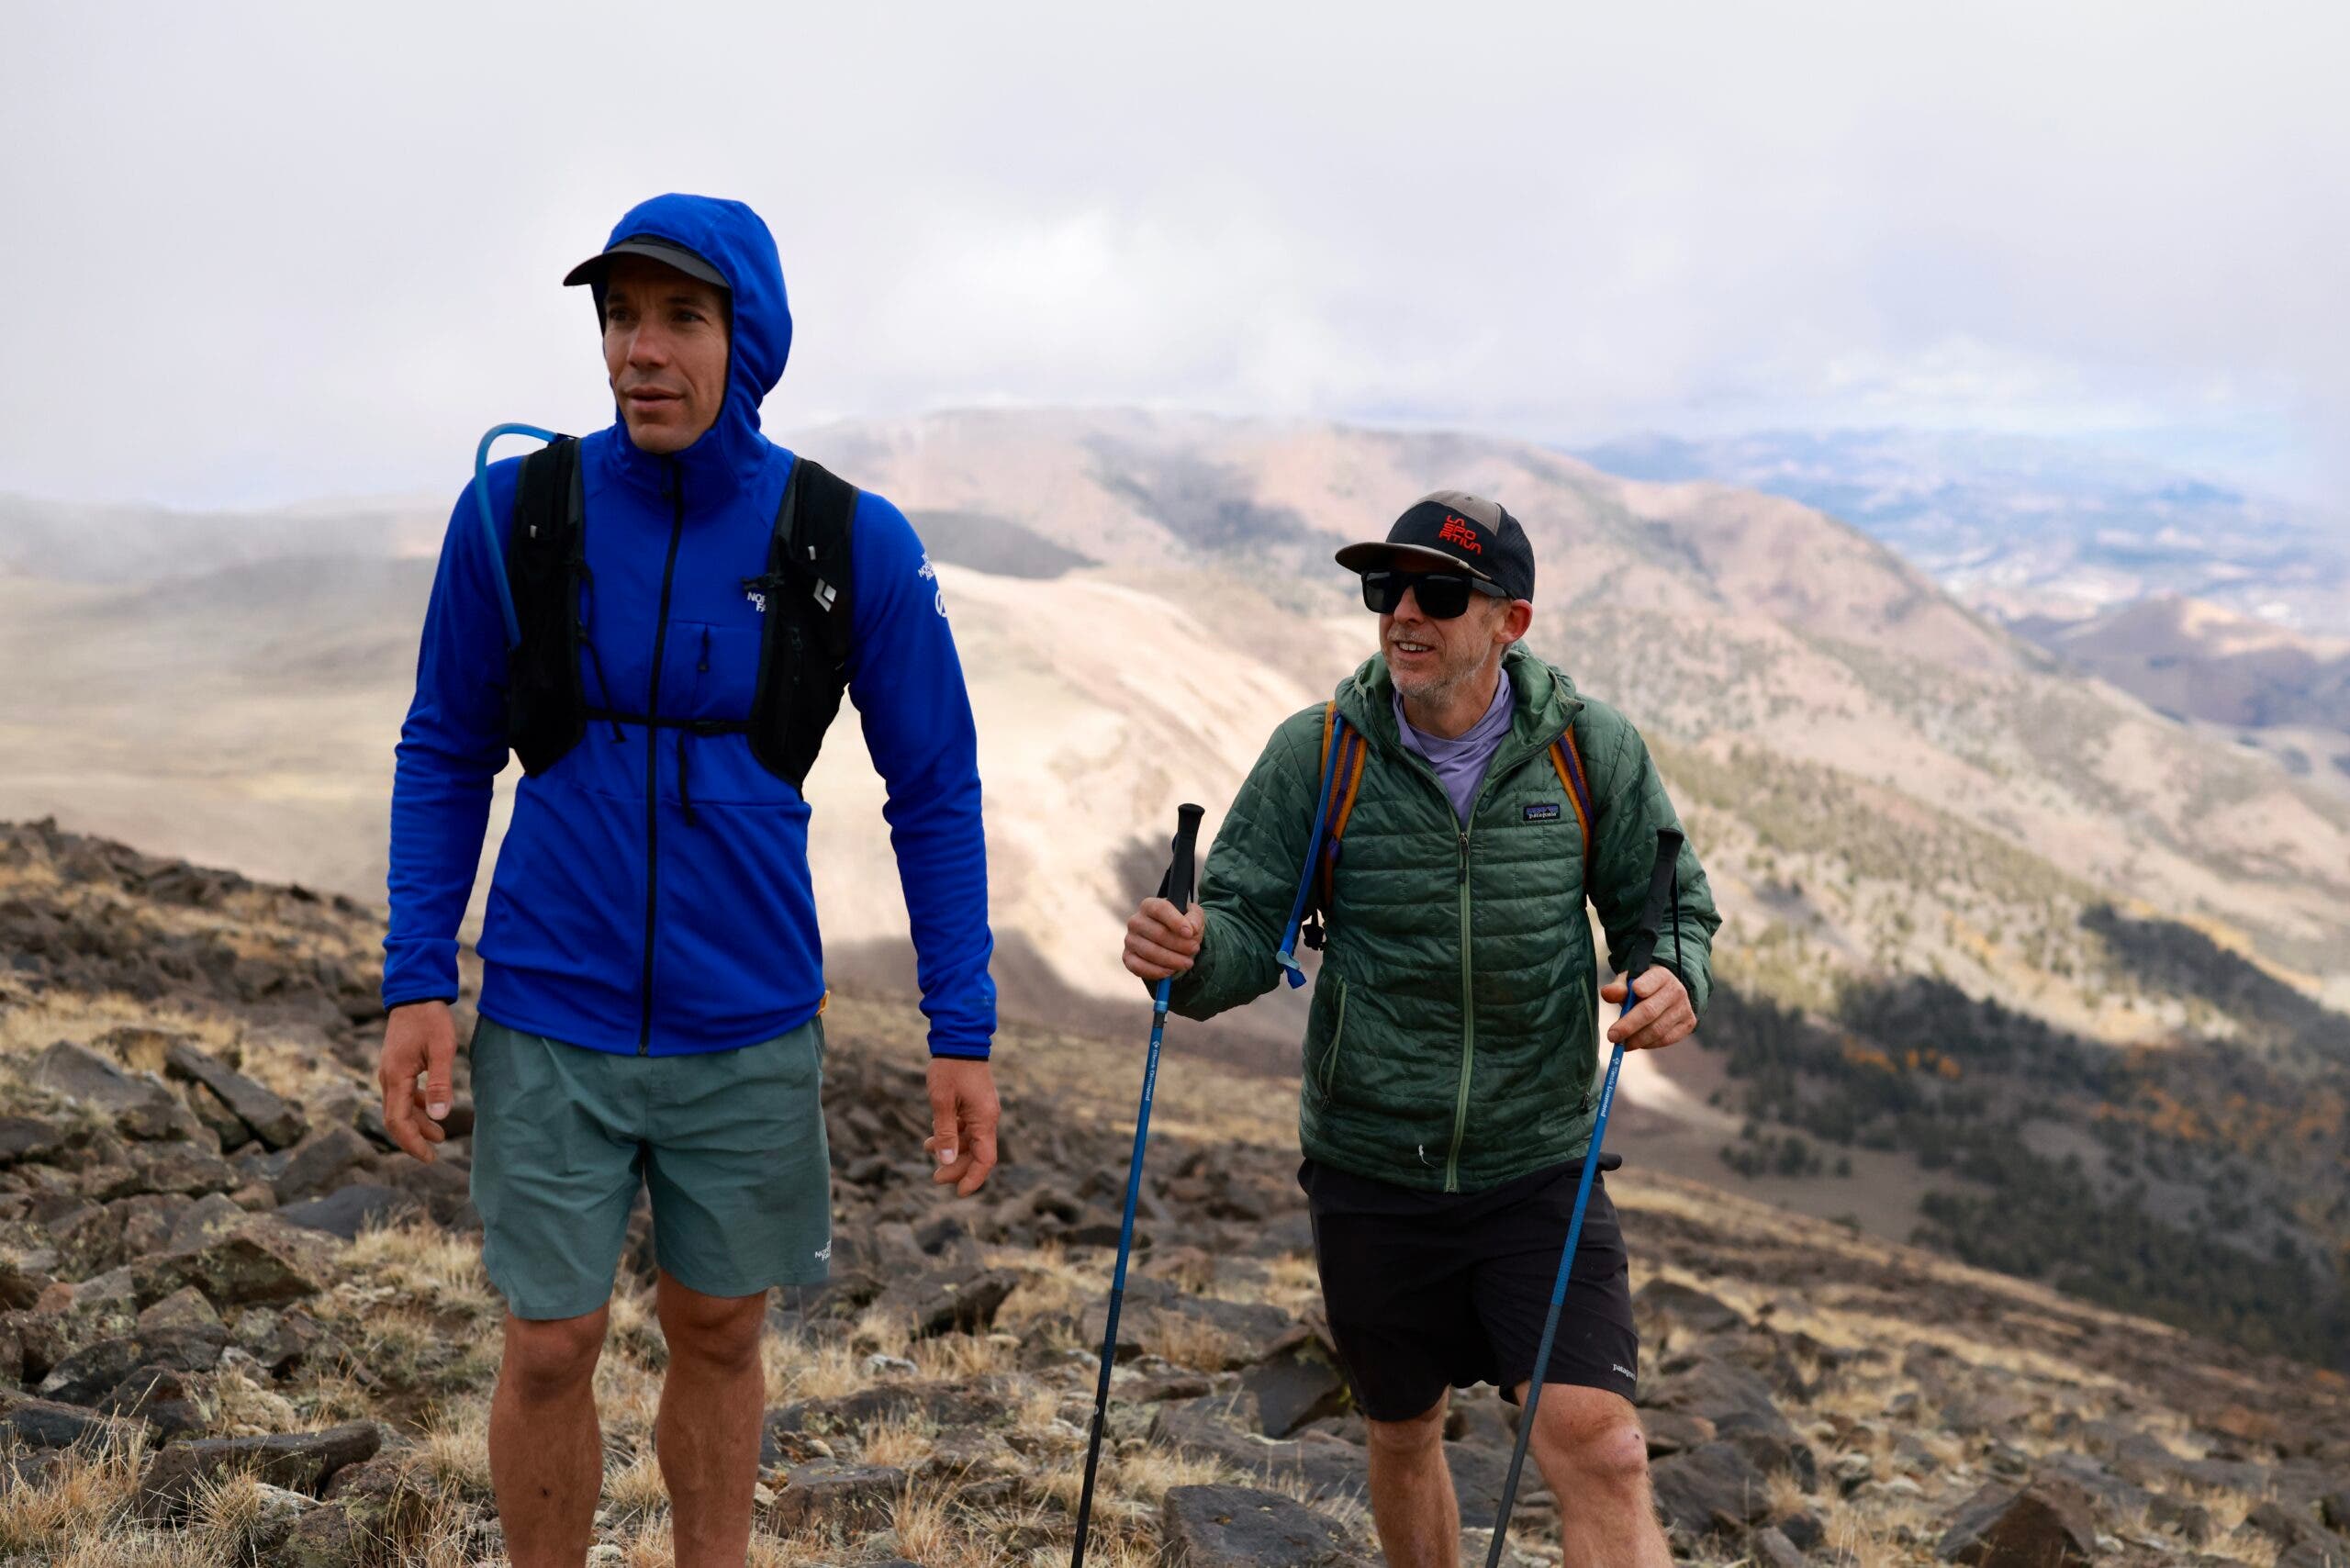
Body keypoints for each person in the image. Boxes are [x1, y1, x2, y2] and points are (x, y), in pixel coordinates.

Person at [378, 193, 1000, 1568]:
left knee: (720, 1331)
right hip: (550, 1004)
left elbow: (936, 792)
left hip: (748, 1021)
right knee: (549, 1341)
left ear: (749, 338)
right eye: (617, 316)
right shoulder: (516, 515)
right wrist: (418, 975)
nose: (638, 351)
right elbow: (445, 748)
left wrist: (962, 1027)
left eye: (679, 317)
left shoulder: (852, 545)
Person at [1123, 492, 1719, 1567]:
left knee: (1604, 1443)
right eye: (1383, 587)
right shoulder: (1319, 752)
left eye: (1438, 592)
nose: (1403, 612)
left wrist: (1674, 976)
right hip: (1370, 1164)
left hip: (1534, 1162)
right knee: (1402, 1433)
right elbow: (1248, 922)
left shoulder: (1590, 750)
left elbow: (1666, 906)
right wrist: (1189, 954)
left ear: (1510, 623)